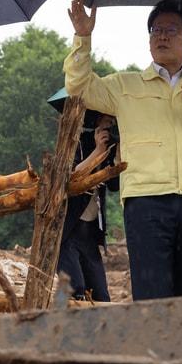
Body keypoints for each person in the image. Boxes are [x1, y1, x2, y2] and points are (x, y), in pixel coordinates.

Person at [65, 0, 182, 299]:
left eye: (172, 30)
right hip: (146, 203)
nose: (162, 37)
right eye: (156, 30)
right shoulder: (125, 86)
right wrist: (83, 37)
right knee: (152, 296)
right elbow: (79, 89)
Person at [56, 114, 119, 302]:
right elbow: (71, 176)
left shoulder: (112, 149)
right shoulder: (79, 142)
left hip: (90, 234)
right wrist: (98, 150)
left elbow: (114, 185)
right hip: (68, 232)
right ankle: (60, 323)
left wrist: (117, 155)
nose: (110, 128)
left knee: (101, 295)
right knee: (75, 290)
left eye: (114, 124)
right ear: (96, 122)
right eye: (107, 123)